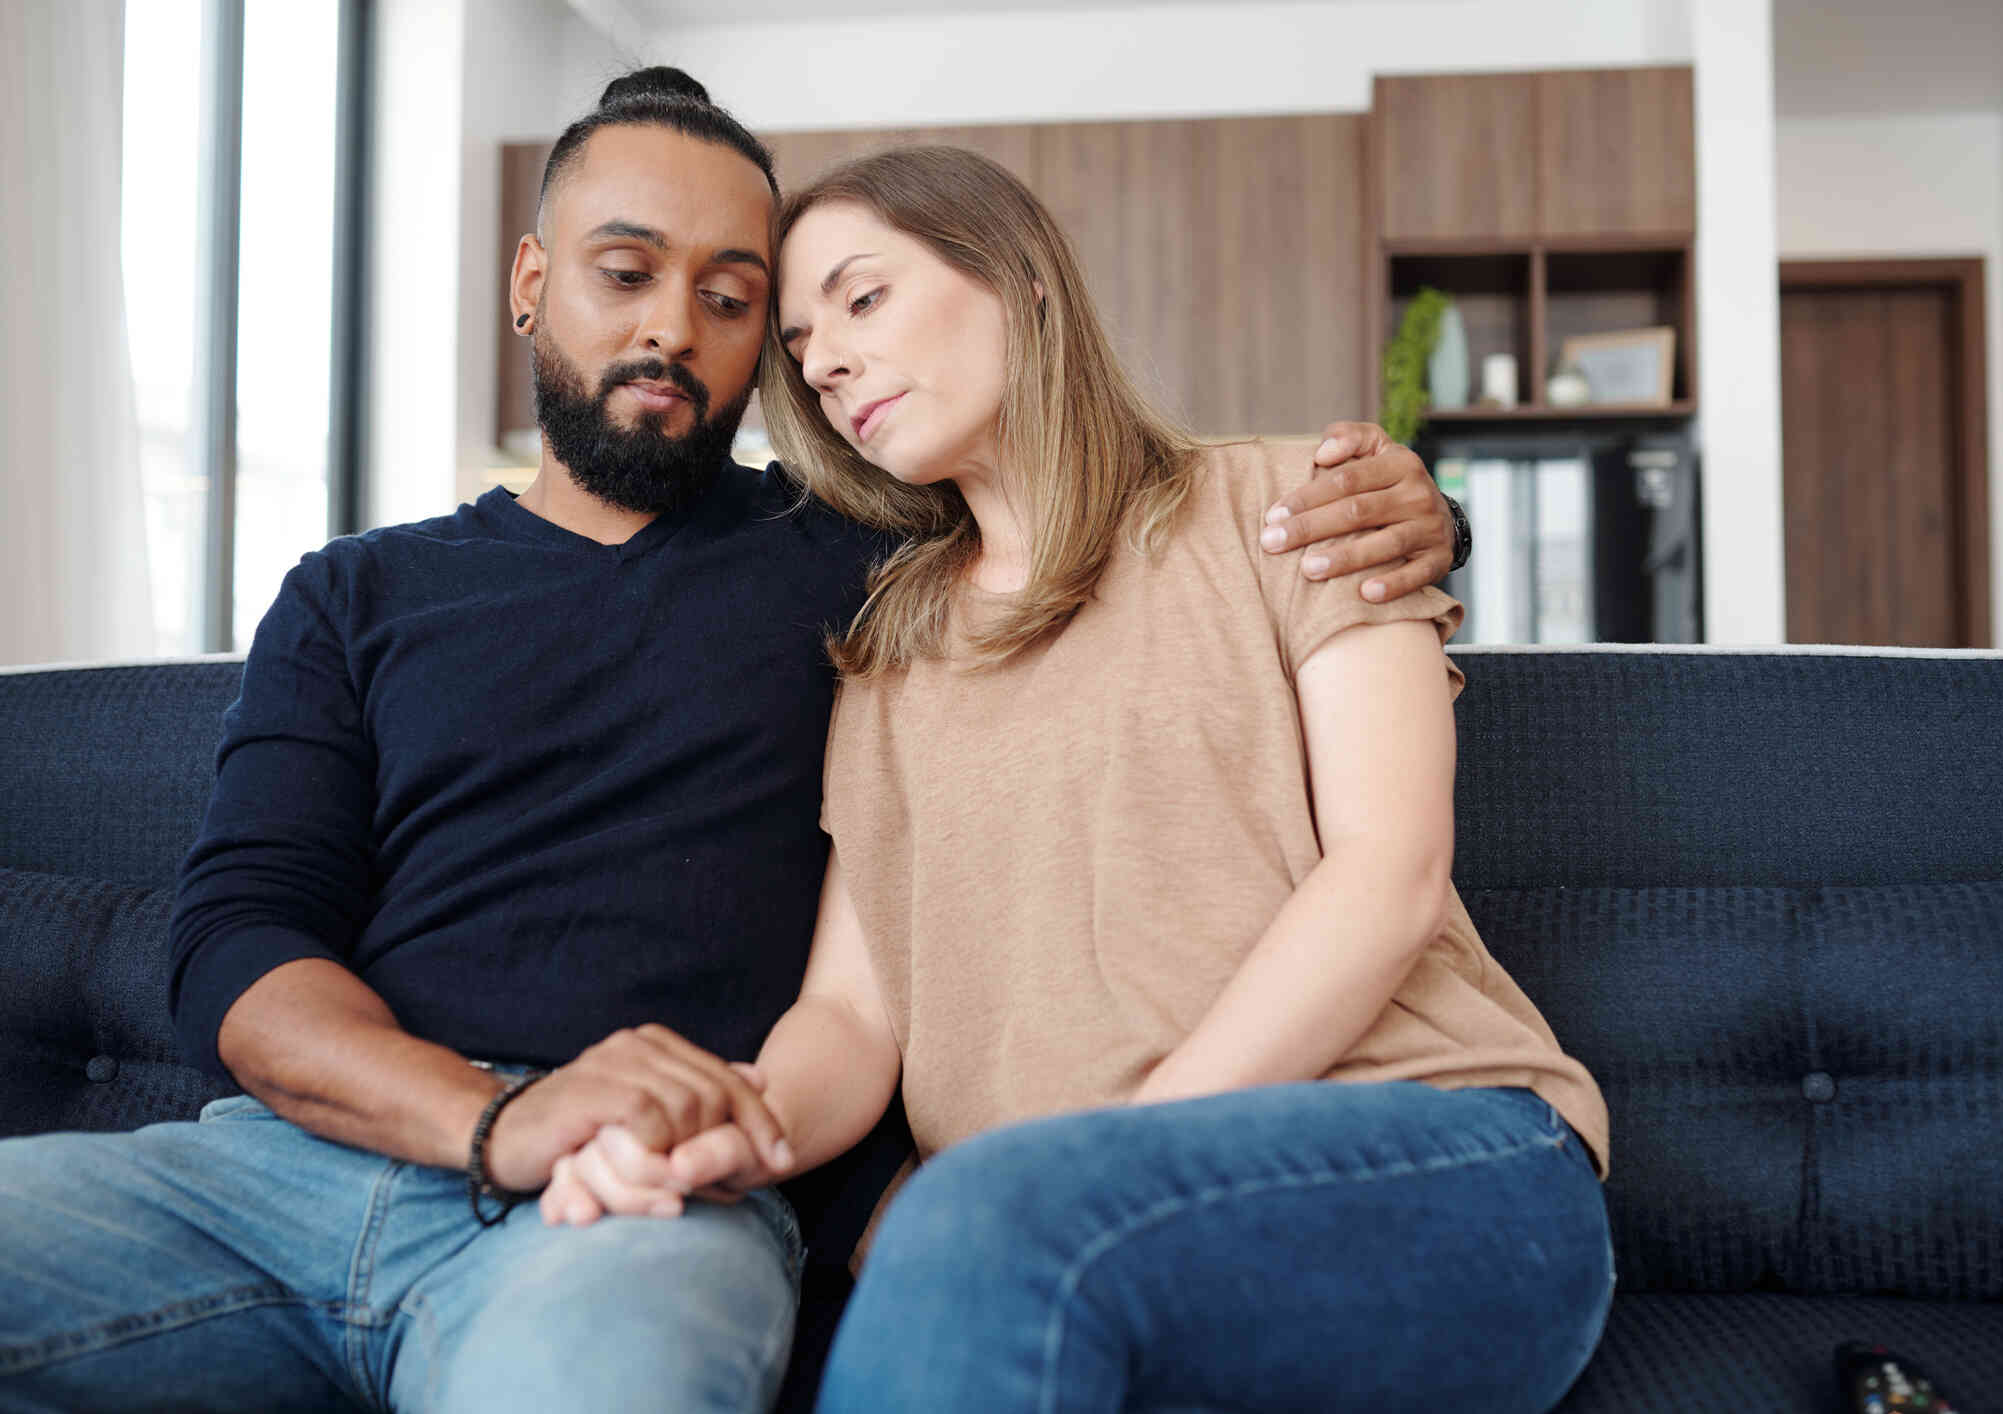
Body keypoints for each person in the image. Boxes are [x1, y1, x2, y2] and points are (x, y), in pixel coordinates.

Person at [0, 69, 1456, 1414]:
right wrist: (494, 1117)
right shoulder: (355, 592)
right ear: (530, 282)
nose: (671, 327)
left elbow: (1106, 513)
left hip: (640, 1204)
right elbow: (239, 948)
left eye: (735, 297)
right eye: (624, 272)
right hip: (279, 1178)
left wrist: (1395, 503)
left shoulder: (877, 569)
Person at [549, 144, 1614, 1413]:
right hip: (1058, 1228)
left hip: (1440, 1152)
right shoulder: (888, 651)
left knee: (975, 1215)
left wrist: (1089, 1161)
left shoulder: (1294, 506)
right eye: (800, 340)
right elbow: (853, 1016)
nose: (823, 360)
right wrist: (737, 1130)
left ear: (1021, 276)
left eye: (863, 297)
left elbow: (1388, 876)